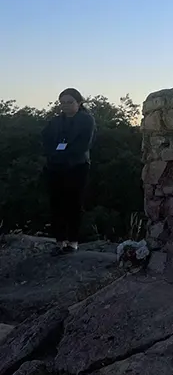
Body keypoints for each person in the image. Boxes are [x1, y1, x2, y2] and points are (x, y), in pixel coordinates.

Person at [41, 88, 96, 255]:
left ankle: (72, 242)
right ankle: (59, 241)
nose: (65, 106)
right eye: (62, 103)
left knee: (73, 203)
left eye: (69, 102)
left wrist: (62, 152)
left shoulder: (87, 120)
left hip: (77, 166)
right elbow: (46, 138)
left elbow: (84, 144)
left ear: (79, 103)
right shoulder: (56, 121)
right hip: (56, 167)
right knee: (56, 203)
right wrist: (53, 153)